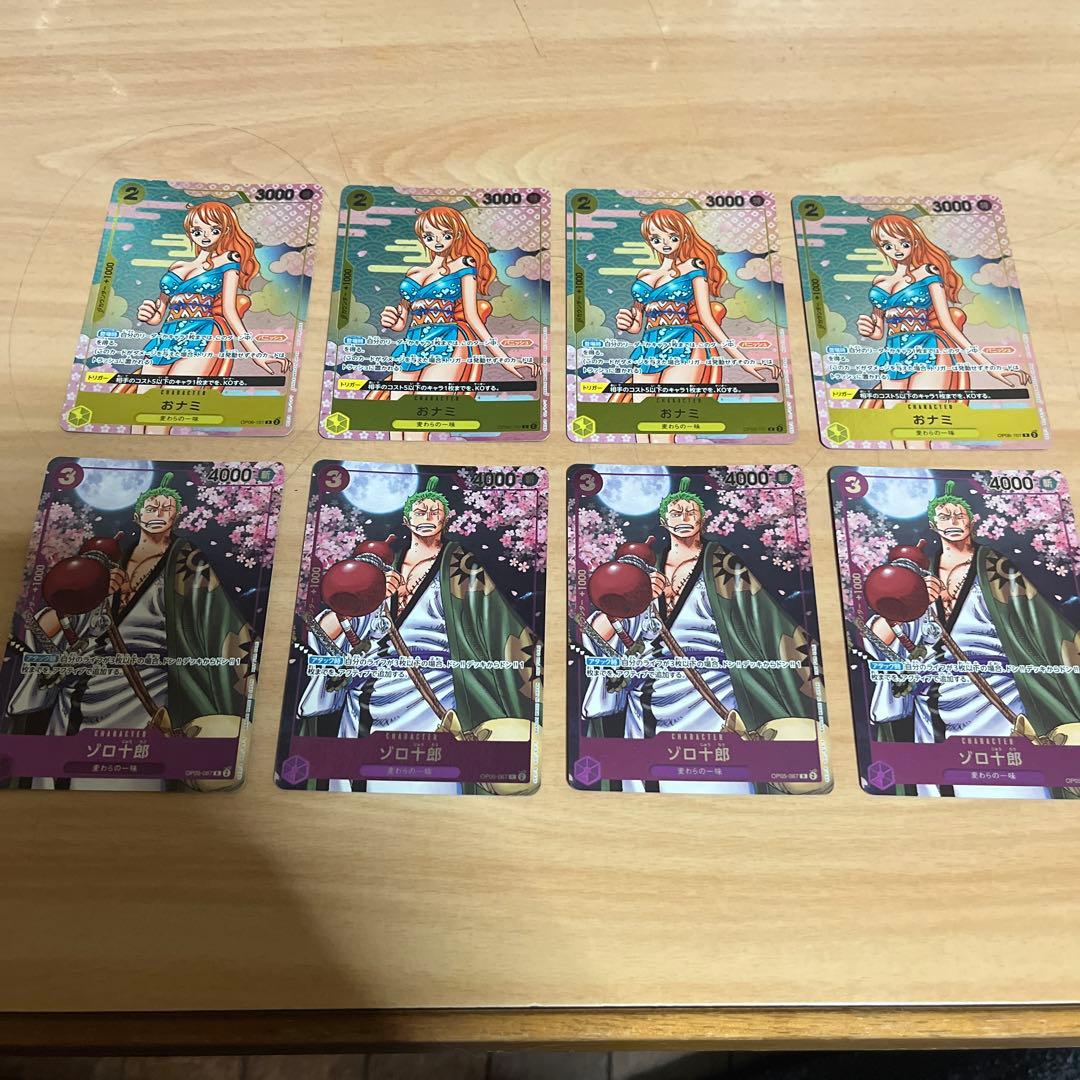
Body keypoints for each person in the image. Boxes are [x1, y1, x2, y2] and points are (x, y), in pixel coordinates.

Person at [8, 473, 255, 790]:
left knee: (132, 775)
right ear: (138, 516)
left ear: (176, 516)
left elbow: (215, 622)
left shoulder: (188, 564)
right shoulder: (105, 563)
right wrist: (92, 592)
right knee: (58, 775)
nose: (158, 513)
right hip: (81, 684)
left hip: (147, 687)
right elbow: (56, 625)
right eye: (151, 508)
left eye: (166, 509)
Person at [300, 476, 541, 794]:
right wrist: (367, 595)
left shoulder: (461, 568)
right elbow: (331, 631)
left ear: (446, 519)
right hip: (369, 690)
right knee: (356, 778)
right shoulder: (377, 569)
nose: (427, 516)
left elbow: (495, 625)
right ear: (406, 519)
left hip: (436, 690)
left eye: (435, 511)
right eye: (419, 511)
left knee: (431, 777)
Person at [581, 477, 822, 794]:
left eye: (690, 512)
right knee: (645, 783)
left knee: (719, 779)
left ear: (702, 518)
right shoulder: (641, 571)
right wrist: (633, 599)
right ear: (664, 521)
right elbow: (598, 635)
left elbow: (760, 622)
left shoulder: (723, 566)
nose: (683, 518)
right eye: (675, 512)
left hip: (713, 689)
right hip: (647, 694)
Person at [864, 481, 1080, 798]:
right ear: (933, 525)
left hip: (998, 691)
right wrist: (910, 603)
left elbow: (1035, 624)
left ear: (971, 520)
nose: (952, 521)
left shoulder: (996, 568)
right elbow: (880, 638)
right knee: (937, 790)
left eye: (959, 515)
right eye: (944, 516)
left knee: (1014, 787)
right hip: (933, 699)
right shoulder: (916, 576)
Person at [855, 214, 1029, 448]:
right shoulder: (879, 282)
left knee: (917, 435)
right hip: (892, 356)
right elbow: (879, 330)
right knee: (896, 433)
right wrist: (868, 329)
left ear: (914, 240)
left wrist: (990, 367)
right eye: (888, 245)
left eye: (902, 242)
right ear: (881, 248)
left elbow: (947, 324)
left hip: (928, 351)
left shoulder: (928, 273)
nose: (896, 249)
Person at [609, 208, 779, 444]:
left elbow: (707, 319)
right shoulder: (644, 275)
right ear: (649, 241)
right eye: (656, 238)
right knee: (643, 424)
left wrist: (743, 360)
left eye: (672, 236)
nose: (664, 243)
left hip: (684, 344)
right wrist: (628, 322)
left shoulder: (693, 267)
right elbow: (638, 323)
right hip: (647, 349)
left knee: (663, 428)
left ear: (684, 236)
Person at [374, 206, 538, 441]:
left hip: (447, 341)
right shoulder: (413, 272)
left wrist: (504, 359)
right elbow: (403, 321)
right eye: (429, 236)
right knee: (397, 422)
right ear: (422, 238)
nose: (437, 241)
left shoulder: (463, 265)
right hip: (411, 345)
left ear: (457, 234)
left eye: (445, 234)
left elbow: (472, 316)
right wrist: (392, 320)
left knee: (418, 425)